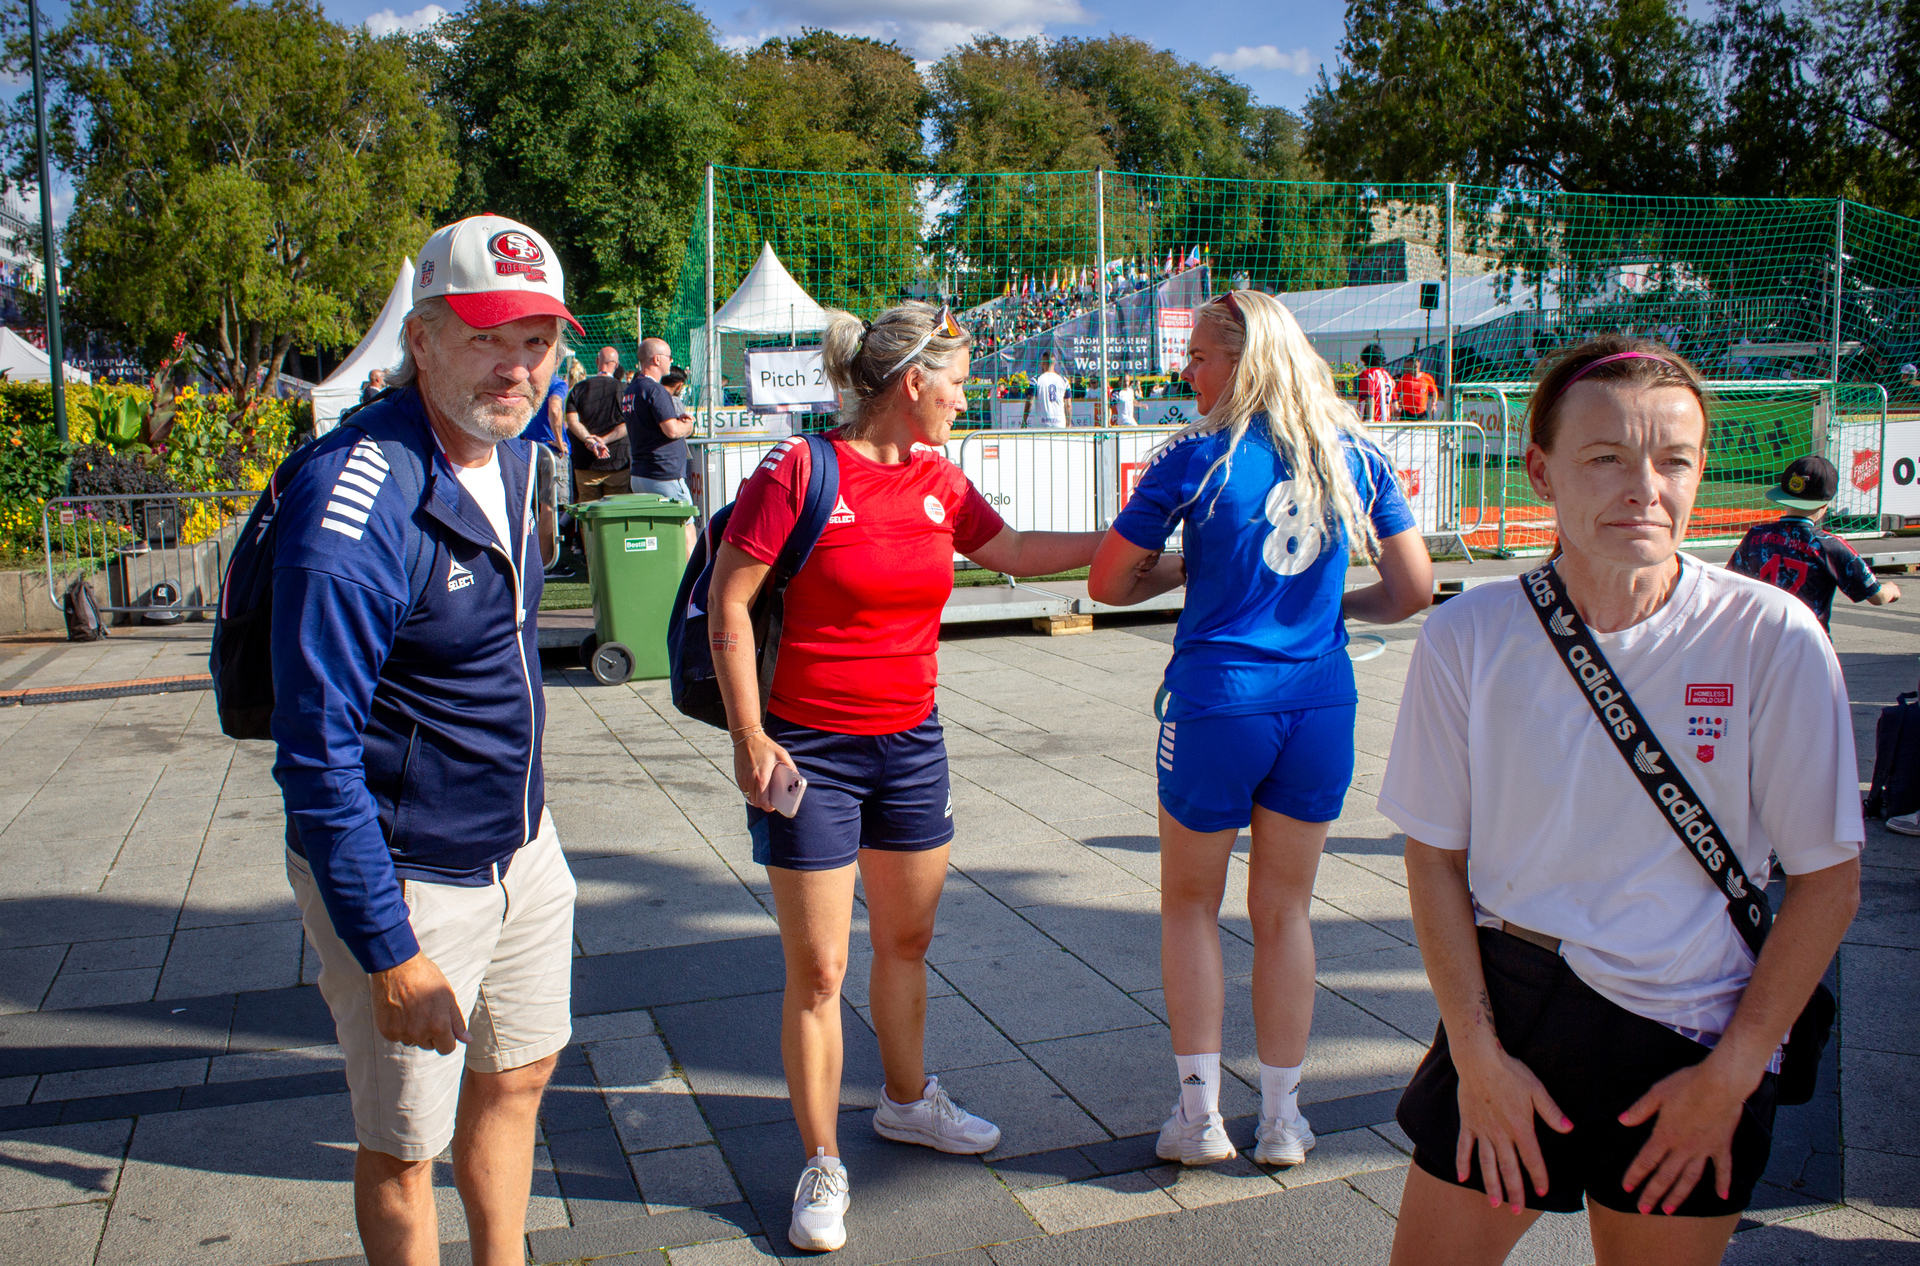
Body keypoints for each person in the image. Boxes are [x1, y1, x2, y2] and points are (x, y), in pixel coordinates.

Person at [1377, 335, 1862, 1266]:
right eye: (1604, 458)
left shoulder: (1774, 637)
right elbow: (1434, 857)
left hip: (1694, 1031)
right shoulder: (1470, 635)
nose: (1643, 486)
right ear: (1540, 472)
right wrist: (1478, 1060)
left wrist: (1730, 1077)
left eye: (1672, 459)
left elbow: (1828, 879)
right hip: (1516, 1008)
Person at [707, 301, 1106, 1254]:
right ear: (914, 383)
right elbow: (730, 599)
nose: (970, 399)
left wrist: (1131, 546)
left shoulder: (938, 477)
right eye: (962, 383)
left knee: (908, 940)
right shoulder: (799, 469)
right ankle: (820, 1160)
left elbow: (1009, 552)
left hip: (911, 745)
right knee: (819, 970)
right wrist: (749, 735)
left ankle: (904, 1102)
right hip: (814, 751)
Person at [273, 214, 583, 1266]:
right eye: (488, 336)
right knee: (404, 1143)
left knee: (519, 1074)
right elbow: (315, 760)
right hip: (408, 876)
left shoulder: (518, 443)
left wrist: (532, 846)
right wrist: (390, 952)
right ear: (422, 339)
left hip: (521, 845)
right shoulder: (354, 508)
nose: (517, 365)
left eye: (537, 339)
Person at [1087, 290, 1432, 1170]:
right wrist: (1313, 610)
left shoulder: (1197, 454)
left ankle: (1199, 1116)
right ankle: (1283, 1118)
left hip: (1219, 701)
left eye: (1200, 354)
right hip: (1320, 700)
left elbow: (1107, 582)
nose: (1187, 368)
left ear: (1241, 360)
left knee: (1190, 904)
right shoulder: (1350, 447)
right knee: (1285, 911)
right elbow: (1412, 591)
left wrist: (1196, 572)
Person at [1727, 454, 1898, 634]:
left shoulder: (1756, 535)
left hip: (1759, 638)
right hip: (1805, 642)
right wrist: (1892, 590)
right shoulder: (1830, 546)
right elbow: (1877, 596)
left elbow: (1731, 582)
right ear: (1825, 504)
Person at [624, 336, 697, 502]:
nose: (671, 361)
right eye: (669, 357)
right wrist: (687, 425)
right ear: (657, 359)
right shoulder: (655, 390)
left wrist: (676, 420)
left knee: (655, 527)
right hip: (663, 474)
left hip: (641, 473)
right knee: (685, 526)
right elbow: (672, 430)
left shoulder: (633, 388)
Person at [567, 346, 627, 502]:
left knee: (588, 516)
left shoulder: (578, 389)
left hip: (585, 464)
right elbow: (627, 424)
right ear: (617, 364)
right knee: (617, 516)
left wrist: (592, 441)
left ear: (596, 361)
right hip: (618, 464)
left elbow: (573, 422)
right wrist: (604, 440)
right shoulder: (624, 390)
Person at [1023, 353, 1070, 428]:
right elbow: (1068, 405)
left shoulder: (1036, 380)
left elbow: (1030, 401)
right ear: (1055, 363)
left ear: (1043, 363)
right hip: (1059, 423)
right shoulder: (1064, 381)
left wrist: (1024, 420)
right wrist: (1068, 423)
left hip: (1042, 424)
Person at [1358, 346, 1395, 424]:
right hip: (1386, 423)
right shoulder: (1388, 377)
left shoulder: (1367, 375)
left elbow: (1369, 399)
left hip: (1370, 423)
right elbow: (1395, 405)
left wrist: (1370, 421)